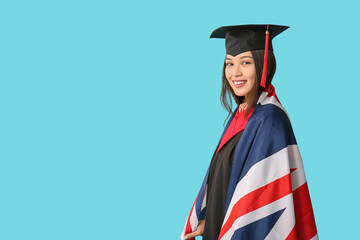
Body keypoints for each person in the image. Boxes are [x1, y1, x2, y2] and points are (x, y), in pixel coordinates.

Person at [180, 24, 318, 240]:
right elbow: (229, 186)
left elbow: (261, 207)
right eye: (229, 64)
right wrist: (211, 223)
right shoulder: (241, 115)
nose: (235, 72)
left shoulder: (270, 121)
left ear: (263, 65)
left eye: (245, 62)